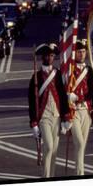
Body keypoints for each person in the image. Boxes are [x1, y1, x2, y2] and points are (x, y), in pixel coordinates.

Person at [28, 43, 71, 178]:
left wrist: (65, 117)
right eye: (47, 55)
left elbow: (63, 96)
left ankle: (52, 176)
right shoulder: (36, 76)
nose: (50, 58)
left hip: (57, 115)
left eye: (52, 55)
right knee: (49, 147)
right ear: (43, 57)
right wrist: (34, 122)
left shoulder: (58, 74)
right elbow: (32, 101)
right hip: (44, 116)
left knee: (55, 150)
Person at [66, 39, 93, 175]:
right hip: (73, 111)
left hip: (86, 110)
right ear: (75, 53)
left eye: (83, 52)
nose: (81, 54)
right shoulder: (69, 70)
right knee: (79, 143)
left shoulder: (89, 70)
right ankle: (81, 174)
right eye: (79, 52)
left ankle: (79, 172)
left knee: (81, 146)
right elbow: (64, 89)